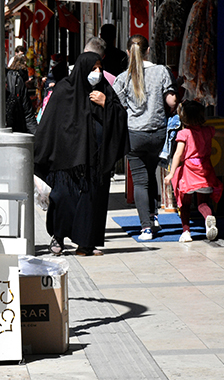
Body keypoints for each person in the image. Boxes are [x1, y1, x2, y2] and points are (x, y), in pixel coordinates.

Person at [35, 52, 129, 256]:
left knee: (91, 201)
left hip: (95, 160)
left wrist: (106, 104)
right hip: (67, 160)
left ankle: (86, 244)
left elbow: (121, 117)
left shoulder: (104, 90)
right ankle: (58, 237)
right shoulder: (64, 90)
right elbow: (49, 124)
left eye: (99, 68)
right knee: (63, 198)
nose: (98, 72)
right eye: (93, 68)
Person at [113, 35, 176, 240]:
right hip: (157, 132)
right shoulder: (161, 71)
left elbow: (118, 105)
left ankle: (146, 227)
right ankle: (153, 215)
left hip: (134, 135)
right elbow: (171, 101)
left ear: (129, 53)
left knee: (140, 181)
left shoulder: (123, 77)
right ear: (148, 50)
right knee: (151, 175)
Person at [164, 101, 223, 242]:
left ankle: (186, 232)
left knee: (184, 204)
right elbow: (223, 134)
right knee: (203, 203)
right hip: (205, 170)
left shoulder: (184, 134)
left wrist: (171, 173)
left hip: (189, 173)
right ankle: (208, 217)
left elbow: (178, 154)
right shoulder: (208, 130)